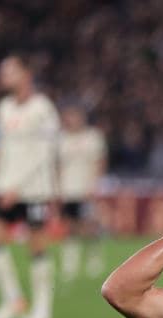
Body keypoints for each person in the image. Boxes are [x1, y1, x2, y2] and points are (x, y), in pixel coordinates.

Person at [0, 54, 60, 318]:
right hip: (6, 188)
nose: (4, 77)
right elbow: (2, 150)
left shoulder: (43, 108)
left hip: (34, 189)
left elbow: (45, 153)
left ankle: (42, 309)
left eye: (9, 71)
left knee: (36, 247)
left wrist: (18, 186)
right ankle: (13, 300)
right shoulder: (4, 108)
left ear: (26, 74)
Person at [57, 103, 108, 282]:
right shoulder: (61, 139)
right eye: (69, 116)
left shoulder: (93, 137)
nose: (72, 120)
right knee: (70, 226)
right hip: (68, 189)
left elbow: (100, 162)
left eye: (75, 115)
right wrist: (57, 188)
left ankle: (94, 258)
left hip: (86, 188)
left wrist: (95, 184)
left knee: (89, 225)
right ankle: (70, 263)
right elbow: (58, 166)